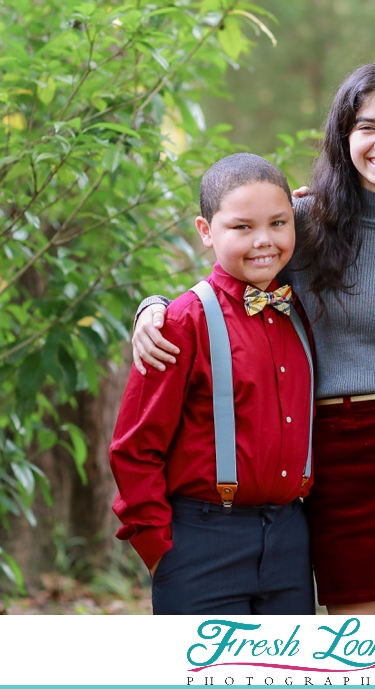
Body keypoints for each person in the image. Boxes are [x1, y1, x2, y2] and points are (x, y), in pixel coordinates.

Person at [132, 61, 375, 615]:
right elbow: (226, 281)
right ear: (343, 135)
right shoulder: (302, 219)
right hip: (339, 447)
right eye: (367, 126)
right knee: (362, 645)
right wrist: (151, 309)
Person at [109, 153, 316, 615]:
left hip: (289, 543)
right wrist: (159, 548)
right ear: (206, 231)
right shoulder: (182, 321)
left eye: (278, 223)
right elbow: (135, 446)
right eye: (241, 227)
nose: (264, 240)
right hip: (201, 544)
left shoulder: (301, 310)